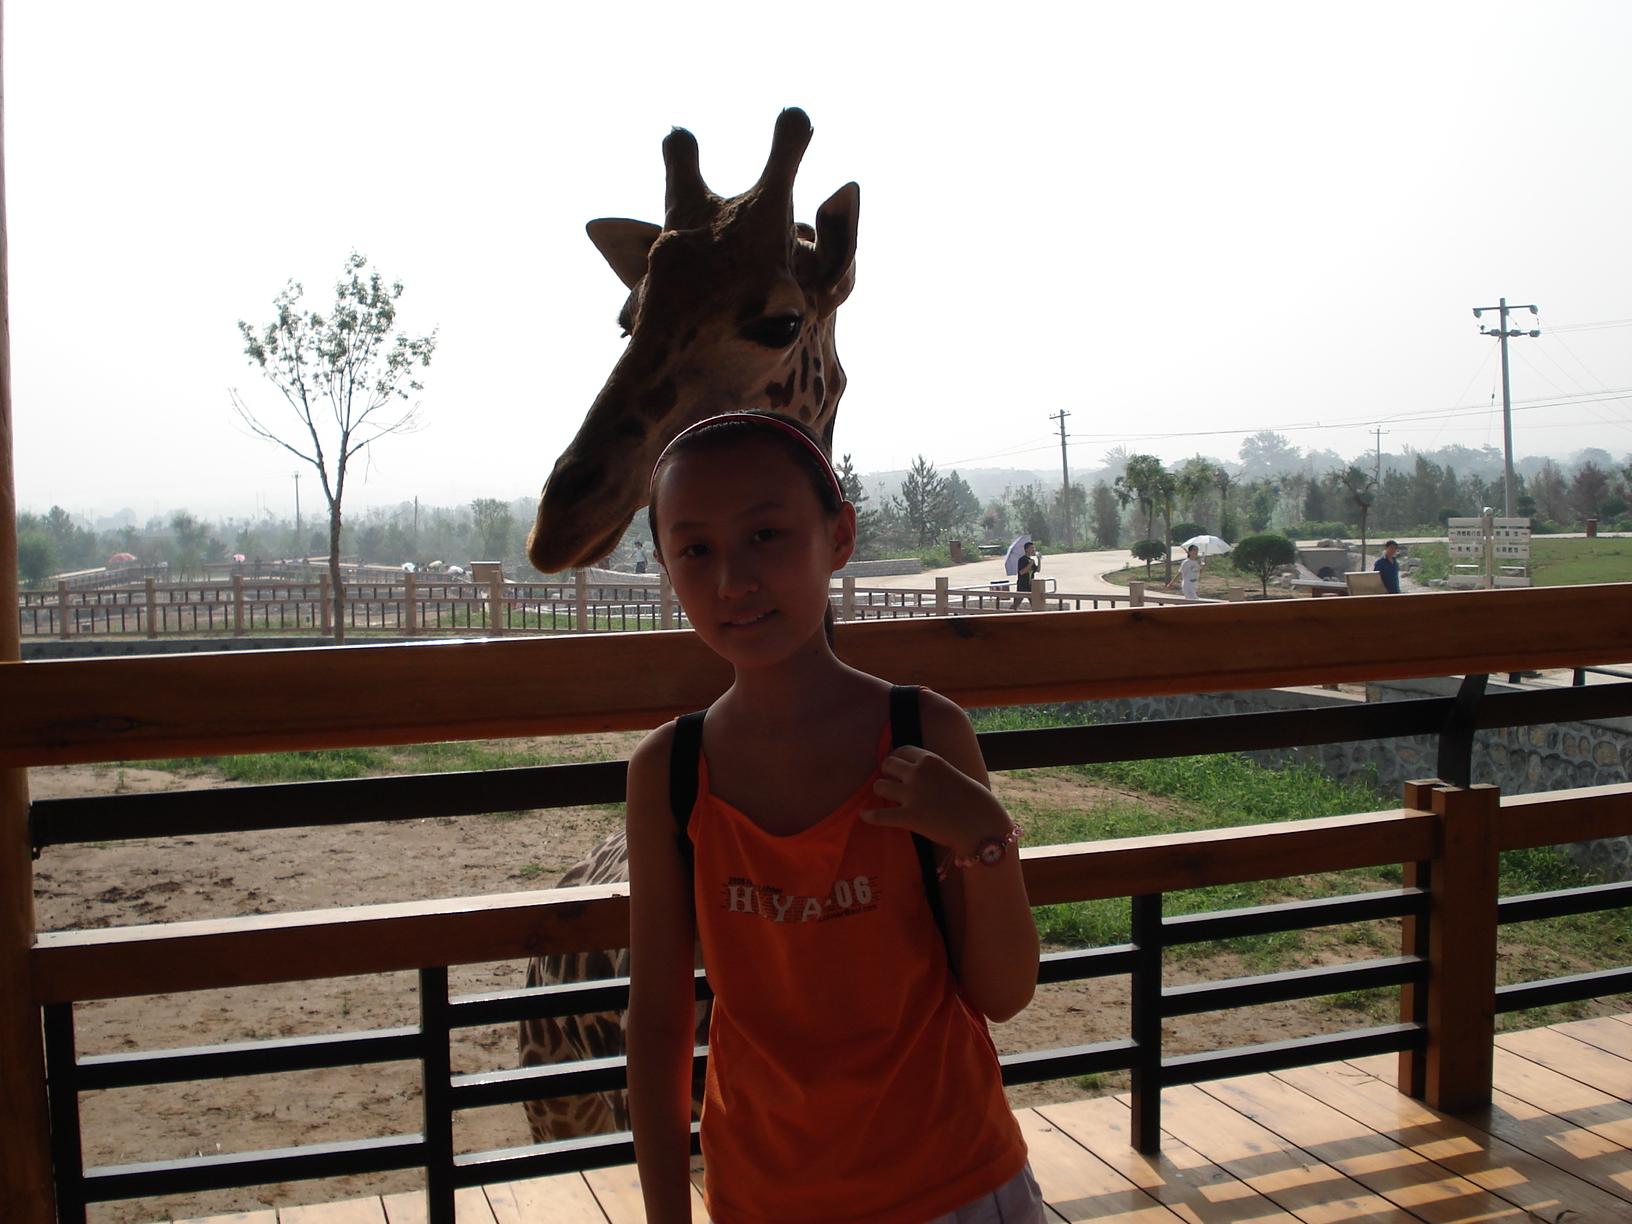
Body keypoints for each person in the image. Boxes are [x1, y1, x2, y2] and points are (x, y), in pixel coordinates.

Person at [627, 411, 1043, 1224]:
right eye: (696, 550)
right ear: (667, 570)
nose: (733, 581)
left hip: (956, 1182)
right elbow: (659, 1021)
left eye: (766, 535)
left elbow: (1003, 992)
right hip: (765, 1195)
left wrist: (986, 838)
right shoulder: (670, 774)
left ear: (840, 536)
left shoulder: (926, 735)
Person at [1013, 539, 1041, 610]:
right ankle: (1007, 613)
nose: (1033, 549)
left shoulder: (1031, 560)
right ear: (1026, 549)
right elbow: (1021, 572)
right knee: (1016, 604)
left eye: (1034, 548)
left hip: (1030, 585)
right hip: (1022, 585)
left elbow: (1038, 570)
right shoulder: (1022, 560)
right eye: (1031, 548)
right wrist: (1030, 564)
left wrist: (1039, 560)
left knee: (1034, 604)